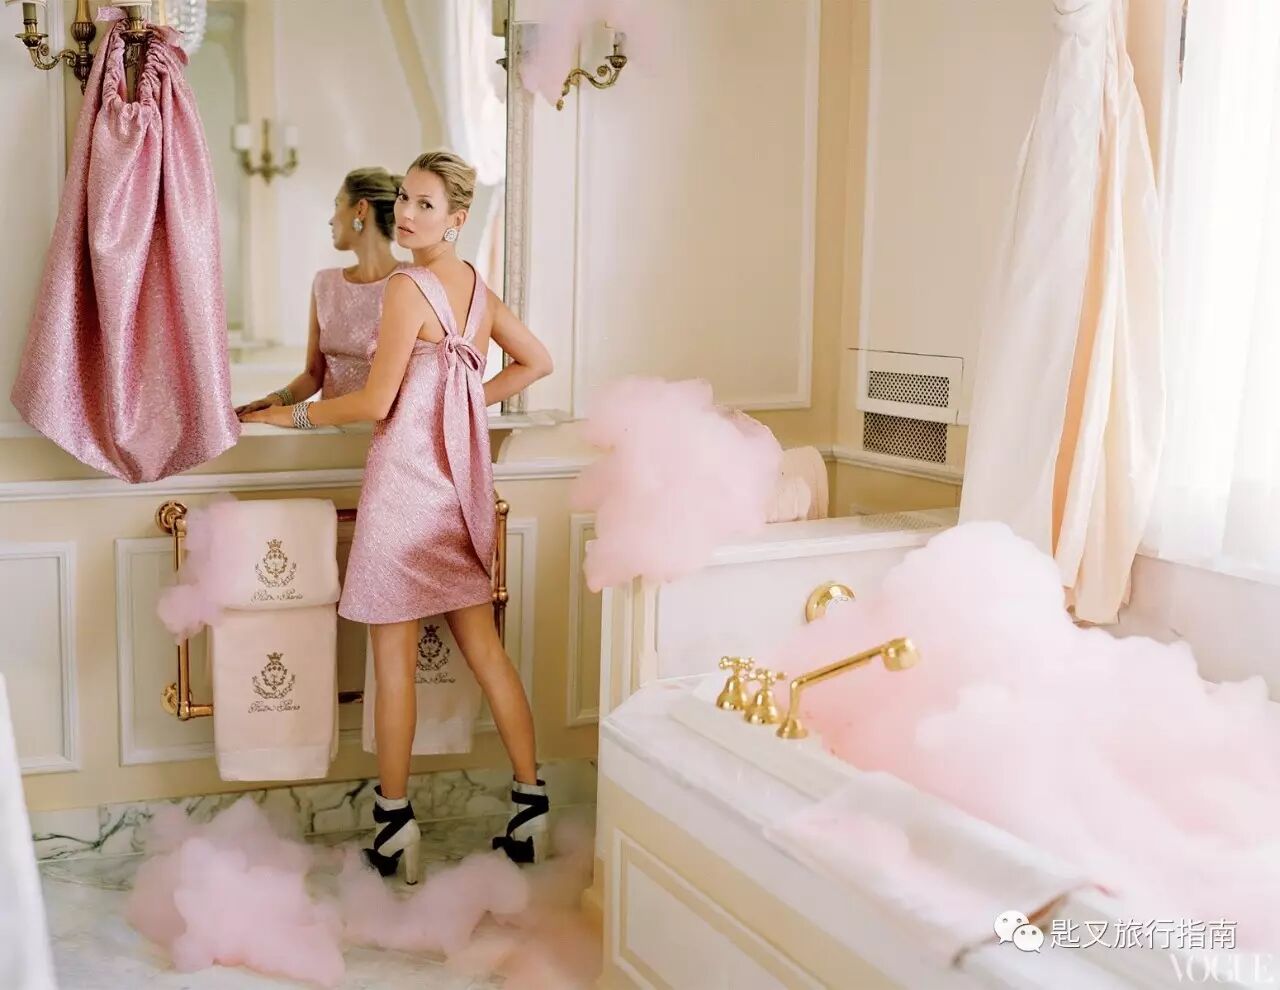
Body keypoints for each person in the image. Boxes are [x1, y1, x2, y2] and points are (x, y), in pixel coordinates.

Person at [243, 150, 554, 882]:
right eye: (405, 200)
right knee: (487, 654)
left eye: (425, 205)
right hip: (458, 491)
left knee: (394, 668)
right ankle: (531, 804)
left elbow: (374, 402)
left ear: (456, 218)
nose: (407, 214)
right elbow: (537, 361)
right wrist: (464, 401)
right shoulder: (475, 286)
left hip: (404, 494)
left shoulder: (408, 287)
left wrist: (290, 416)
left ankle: (394, 826)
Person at [235, 167, 403, 417]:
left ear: (360, 209)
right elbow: (313, 375)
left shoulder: (412, 282)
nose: (331, 220)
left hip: (388, 429)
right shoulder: (325, 283)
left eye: (337, 204)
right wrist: (273, 401)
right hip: (327, 428)